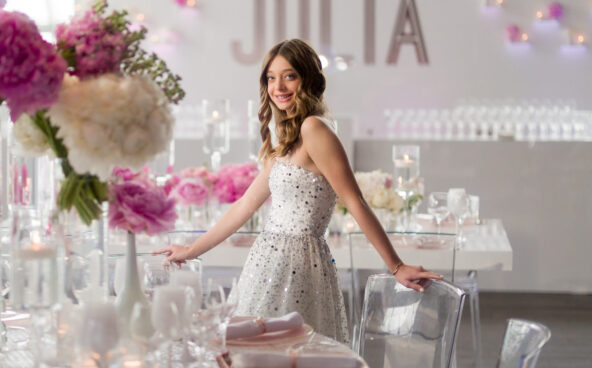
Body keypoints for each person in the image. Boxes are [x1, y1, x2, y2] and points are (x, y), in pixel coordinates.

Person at [155, 38, 441, 343]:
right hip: (266, 262)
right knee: (257, 353)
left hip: (298, 265)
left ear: (308, 79)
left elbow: (355, 202)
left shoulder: (314, 129)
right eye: (271, 77)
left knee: (284, 353)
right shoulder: (289, 136)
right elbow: (246, 204)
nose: (278, 86)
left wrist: (396, 266)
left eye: (289, 75)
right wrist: (191, 250)